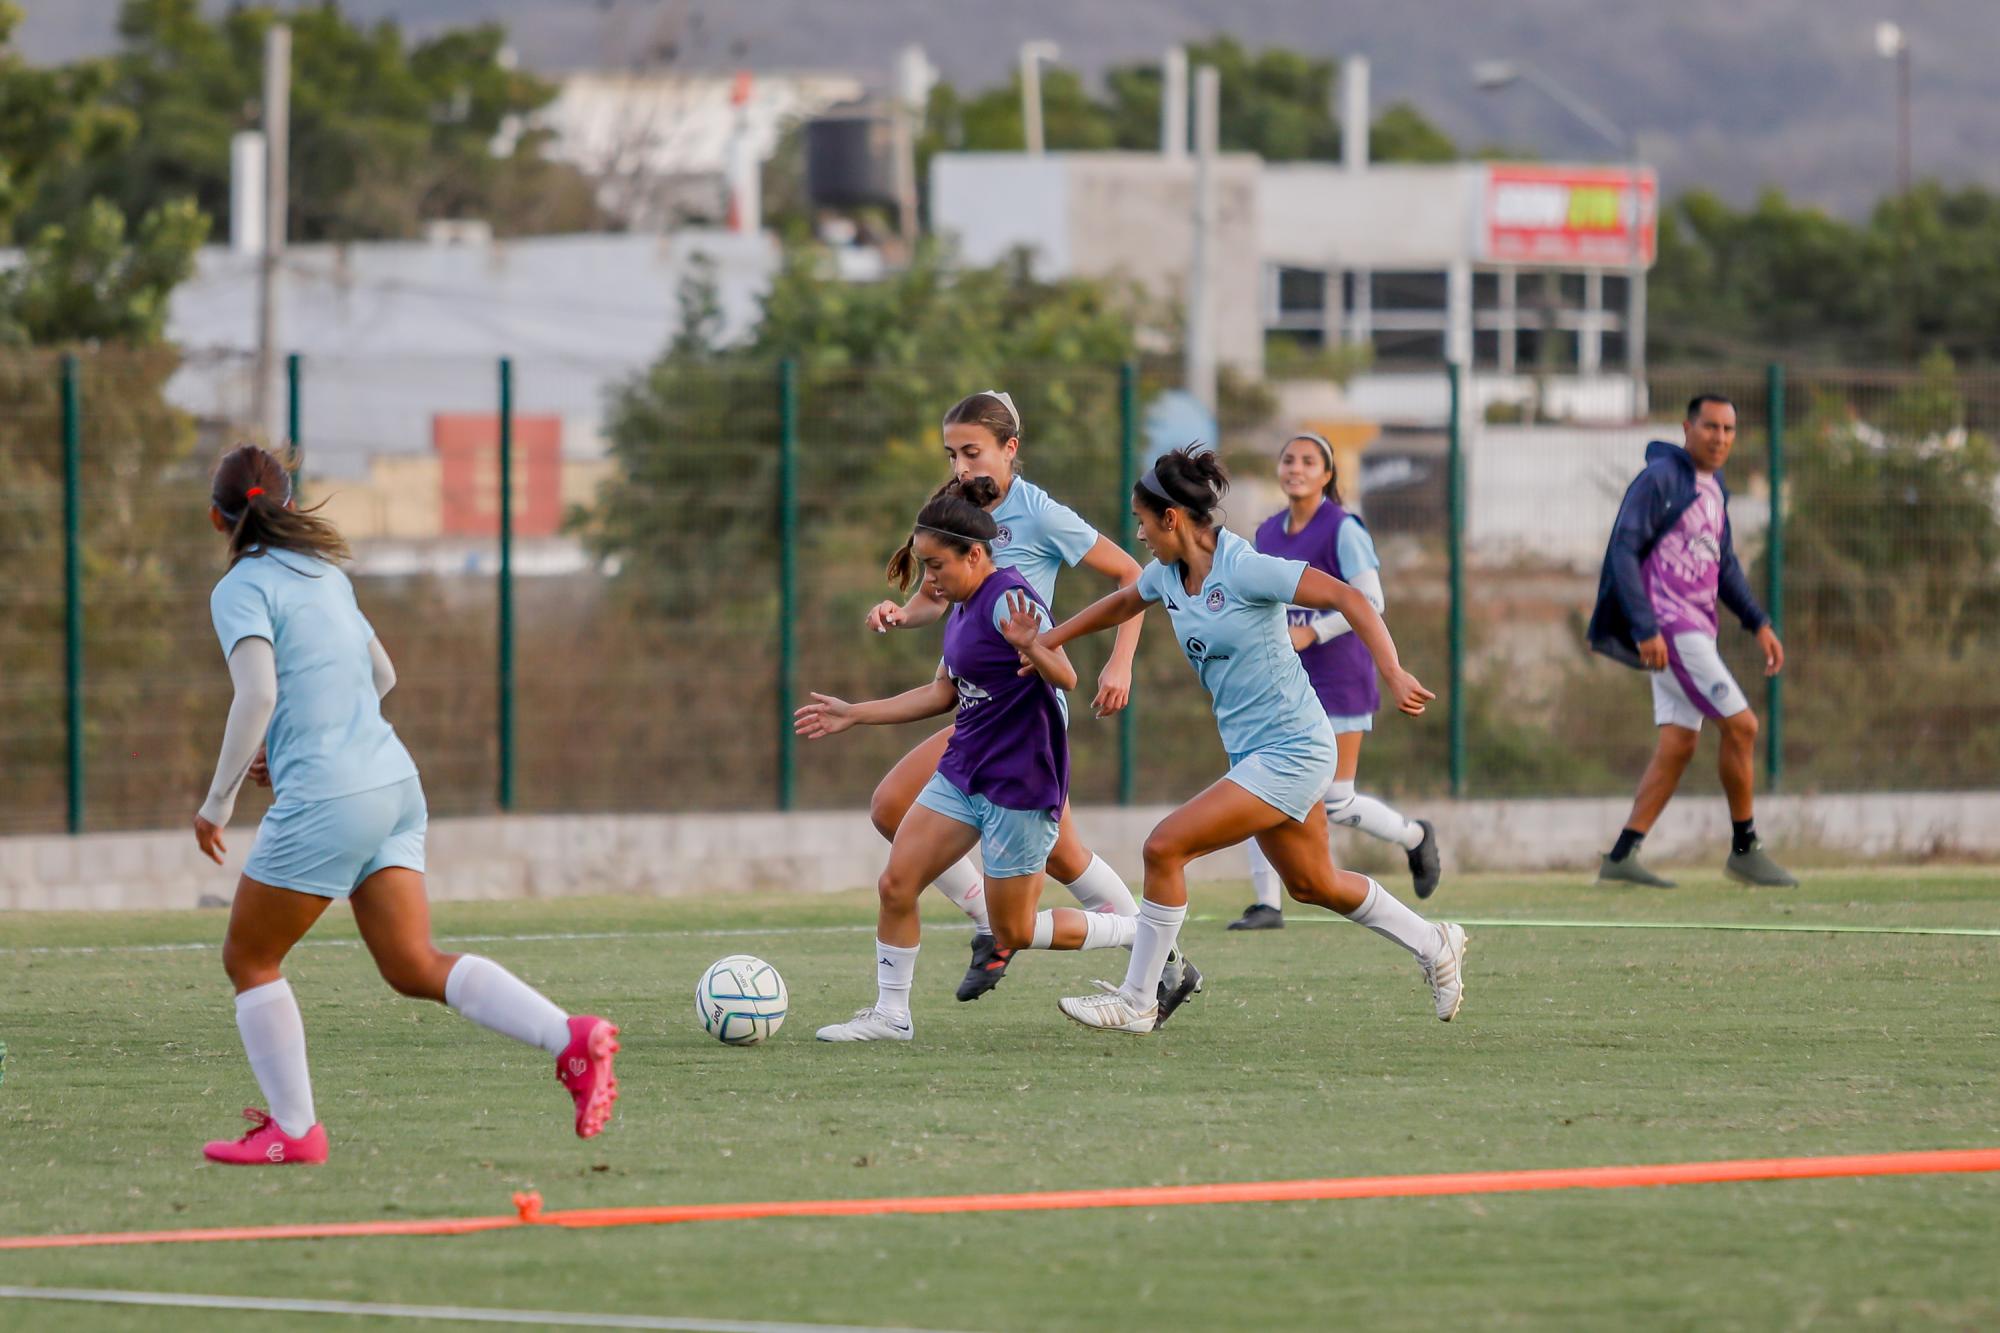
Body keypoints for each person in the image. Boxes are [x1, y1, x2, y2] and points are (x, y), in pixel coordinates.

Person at [192, 445, 619, 1165]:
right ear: (291, 507)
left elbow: (258, 693)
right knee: (413, 963)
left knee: (249, 956)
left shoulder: (239, 587)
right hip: (391, 781)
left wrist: (218, 800)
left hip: (331, 795)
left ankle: (295, 1131)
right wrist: (308, 734)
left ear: (217, 518)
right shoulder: (326, 572)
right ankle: (569, 1037)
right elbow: (380, 673)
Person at [1030, 446, 1469, 1034]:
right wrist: (1045, 641)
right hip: (1256, 753)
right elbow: (1118, 604)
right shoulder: (1167, 575)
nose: (1138, 535)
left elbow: (1350, 597)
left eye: (1141, 521)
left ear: (1172, 519)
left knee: (1164, 847)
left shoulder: (1244, 566)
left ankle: (1139, 1000)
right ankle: (1433, 941)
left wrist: (1393, 671)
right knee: (1313, 884)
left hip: (1294, 749)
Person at [798, 482, 1139, 1042]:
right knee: (897, 884)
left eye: (936, 566)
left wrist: (1032, 647)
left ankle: (1141, 928)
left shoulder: (1011, 599)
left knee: (1016, 929)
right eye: (924, 565)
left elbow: (1068, 678)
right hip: (964, 767)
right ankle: (891, 1015)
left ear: (975, 555)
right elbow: (941, 694)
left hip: (1020, 781)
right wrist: (854, 713)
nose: (928, 580)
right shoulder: (960, 607)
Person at [862, 391, 1145, 1002]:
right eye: (952, 454)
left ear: (1009, 449)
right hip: (971, 696)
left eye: (973, 452)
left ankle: (1150, 949)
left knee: (1056, 858)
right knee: (1060, 857)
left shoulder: (1041, 514)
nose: (961, 467)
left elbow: (1133, 577)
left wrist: (1120, 663)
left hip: (1022, 706)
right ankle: (1152, 952)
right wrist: (901, 614)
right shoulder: (957, 507)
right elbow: (935, 593)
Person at [1229, 431, 1440, 932]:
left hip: (1340, 676)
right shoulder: (1267, 534)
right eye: (1288, 459)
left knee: (1336, 800)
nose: (1295, 468)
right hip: (1282, 680)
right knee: (1253, 781)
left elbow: (1371, 599)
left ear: (1327, 475)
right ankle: (1266, 904)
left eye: (1308, 461)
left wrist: (1314, 631)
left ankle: (1414, 837)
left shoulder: (1343, 528)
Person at [1586, 394, 1797, 888]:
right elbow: (1623, 549)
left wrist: (1758, 621)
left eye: (1729, 429)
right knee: (1742, 727)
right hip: (1671, 630)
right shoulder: (1659, 479)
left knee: (1679, 744)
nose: (1720, 437)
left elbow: (1723, 565)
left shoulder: (1714, 487)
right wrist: (1645, 628)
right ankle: (1745, 848)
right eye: (1710, 427)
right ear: (1687, 427)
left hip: (1697, 629)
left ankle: (1620, 859)